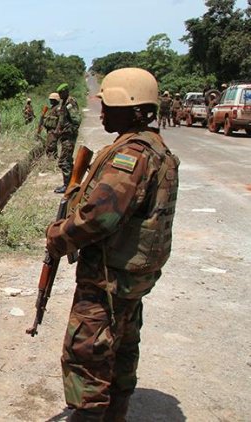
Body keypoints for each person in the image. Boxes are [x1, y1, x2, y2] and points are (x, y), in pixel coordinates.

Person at [46, 67, 180, 422]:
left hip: (108, 279)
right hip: (129, 279)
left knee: (87, 355)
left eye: (110, 105)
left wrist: (57, 236)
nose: (102, 112)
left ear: (134, 109)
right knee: (120, 350)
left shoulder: (130, 157)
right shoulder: (157, 149)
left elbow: (98, 218)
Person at [54, 83, 82, 193]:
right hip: (64, 135)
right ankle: (71, 183)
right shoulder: (64, 102)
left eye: (61, 93)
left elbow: (76, 120)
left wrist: (69, 131)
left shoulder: (70, 102)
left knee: (64, 161)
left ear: (66, 91)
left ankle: (67, 185)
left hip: (68, 136)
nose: (59, 95)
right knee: (68, 160)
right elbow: (61, 119)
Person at [42, 92, 61, 159]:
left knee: (51, 145)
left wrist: (57, 130)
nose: (51, 101)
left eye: (52, 100)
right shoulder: (53, 108)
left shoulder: (58, 108)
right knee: (51, 144)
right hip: (50, 130)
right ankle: (53, 158)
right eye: (50, 100)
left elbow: (60, 119)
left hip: (54, 130)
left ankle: (52, 158)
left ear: (56, 100)